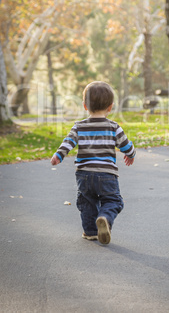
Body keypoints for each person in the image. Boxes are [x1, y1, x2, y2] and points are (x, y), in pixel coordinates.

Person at [51, 81, 135, 245]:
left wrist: (58, 155)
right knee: (113, 201)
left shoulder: (79, 126)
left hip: (84, 174)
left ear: (84, 105)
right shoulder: (113, 127)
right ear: (110, 107)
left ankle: (90, 232)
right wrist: (131, 153)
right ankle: (105, 217)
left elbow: (68, 142)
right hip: (106, 175)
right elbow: (125, 145)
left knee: (87, 201)